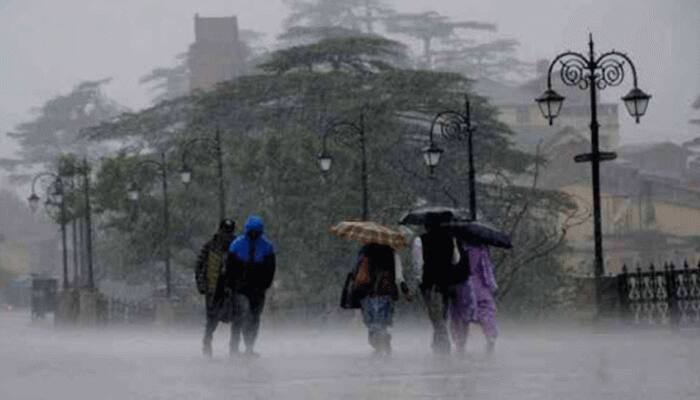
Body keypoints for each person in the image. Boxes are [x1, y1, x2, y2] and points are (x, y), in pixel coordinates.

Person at [224, 215, 276, 358]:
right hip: (243, 288)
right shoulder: (239, 245)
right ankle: (238, 347)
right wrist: (232, 285)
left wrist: (264, 284)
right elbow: (230, 268)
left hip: (254, 288)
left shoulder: (264, 246)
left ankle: (247, 347)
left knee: (252, 317)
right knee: (244, 316)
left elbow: (270, 269)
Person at [412, 216, 460, 355]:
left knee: (436, 317)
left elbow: (417, 264)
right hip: (447, 283)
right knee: (442, 315)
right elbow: (456, 260)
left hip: (430, 283)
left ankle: (444, 347)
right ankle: (438, 344)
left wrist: (418, 281)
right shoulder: (451, 239)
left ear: (426, 225)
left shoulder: (420, 240)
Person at [355, 242, 409, 357]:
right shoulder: (391, 252)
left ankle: (378, 346)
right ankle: (384, 341)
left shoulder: (364, 251)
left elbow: (357, 272)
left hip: (368, 293)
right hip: (386, 292)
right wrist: (405, 290)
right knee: (383, 322)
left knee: (371, 323)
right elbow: (399, 276)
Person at [195, 219, 236, 357]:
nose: (227, 235)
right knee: (212, 318)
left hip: (231, 287)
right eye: (225, 231)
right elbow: (199, 265)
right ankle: (207, 341)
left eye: (229, 232)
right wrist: (201, 285)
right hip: (214, 288)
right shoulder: (210, 246)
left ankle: (233, 347)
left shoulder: (237, 246)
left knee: (235, 317)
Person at [459, 242, 498, 354]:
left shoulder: (458, 245)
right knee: (487, 313)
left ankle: (460, 344)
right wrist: (491, 285)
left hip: (463, 285)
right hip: (480, 286)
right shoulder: (481, 249)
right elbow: (486, 269)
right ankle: (490, 337)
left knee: (462, 316)